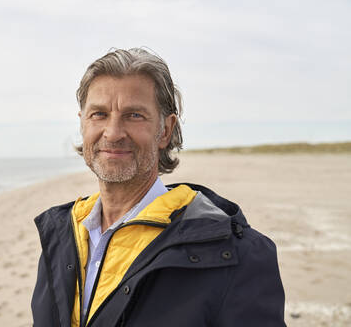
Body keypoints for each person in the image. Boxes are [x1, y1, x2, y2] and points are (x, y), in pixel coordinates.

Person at [31, 48, 286, 327]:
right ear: (82, 123)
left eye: (134, 115)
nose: (113, 132)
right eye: (99, 114)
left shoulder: (239, 255)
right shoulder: (61, 235)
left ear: (165, 130)